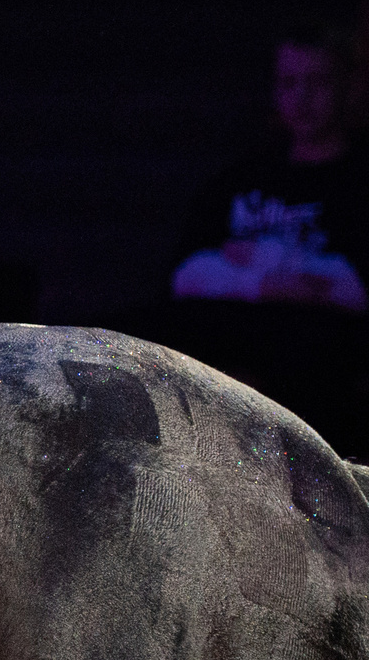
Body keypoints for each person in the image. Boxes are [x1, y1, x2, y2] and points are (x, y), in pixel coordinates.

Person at [148, 30, 369, 454]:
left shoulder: (359, 183)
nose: (302, 98)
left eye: (317, 83)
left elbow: (351, 291)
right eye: (289, 84)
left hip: (318, 360)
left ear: (348, 85)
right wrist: (275, 282)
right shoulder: (241, 178)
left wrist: (255, 271)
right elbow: (184, 276)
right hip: (233, 338)